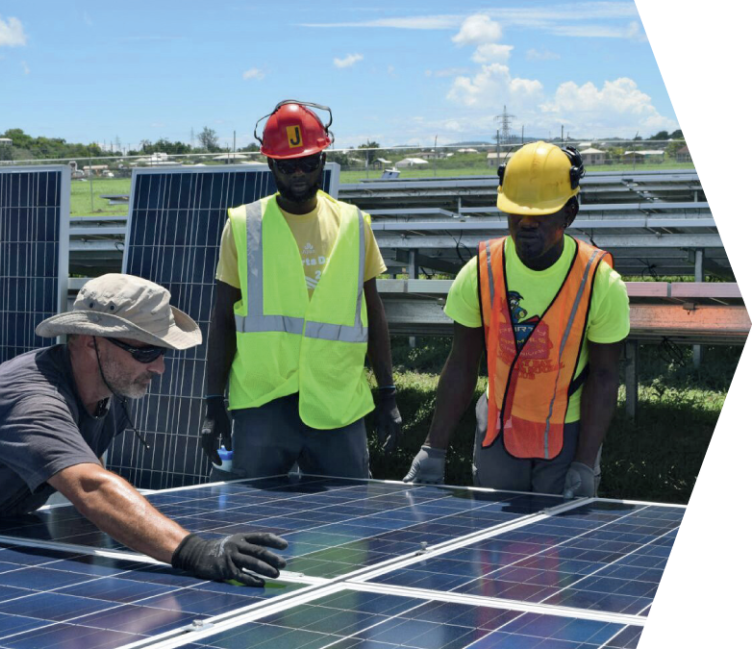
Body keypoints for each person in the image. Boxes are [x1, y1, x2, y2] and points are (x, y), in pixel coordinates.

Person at [0, 274, 287, 587]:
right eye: (145, 351)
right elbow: (91, 486)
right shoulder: (32, 401)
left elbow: (88, 464)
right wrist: (196, 552)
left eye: (162, 352)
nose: (159, 368)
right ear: (90, 341)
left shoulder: (108, 390)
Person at [403, 142, 630, 498]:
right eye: (516, 212)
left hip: (566, 437)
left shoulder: (599, 282)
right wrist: (434, 448)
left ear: (569, 213)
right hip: (498, 432)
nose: (526, 223)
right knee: (498, 545)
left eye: (540, 214)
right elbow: (462, 363)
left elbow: (604, 376)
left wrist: (585, 463)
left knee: (560, 546)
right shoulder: (480, 272)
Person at [201, 100, 402, 480]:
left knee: (344, 527)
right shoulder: (244, 227)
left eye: (308, 163)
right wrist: (213, 403)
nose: (299, 174)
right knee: (254, 526)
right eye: (287, 165)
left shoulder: (355, 225)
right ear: (270, 165)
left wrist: (388, 392)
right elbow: (222, 319)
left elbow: (374, 312)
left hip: (337, 402)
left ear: (323, 161)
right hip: (264, 403)